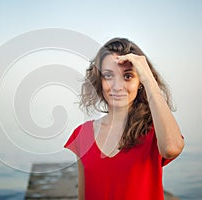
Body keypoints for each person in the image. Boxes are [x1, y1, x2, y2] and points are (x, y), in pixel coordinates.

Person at [64, 38, 184, 200]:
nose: (117, 86)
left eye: (128, 76)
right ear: (99, 80)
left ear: (140, 82)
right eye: (108, 75)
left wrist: (148, 78)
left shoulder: (155, 130)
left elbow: (171, 148)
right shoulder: (82, 134)